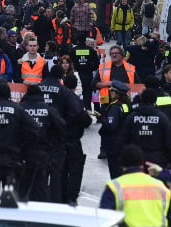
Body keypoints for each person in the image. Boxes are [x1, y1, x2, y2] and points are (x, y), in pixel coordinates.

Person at [19, 85, 66, 202]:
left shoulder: (20, 108)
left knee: (22, 185)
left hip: (24, 153)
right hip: (43, 152)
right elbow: (62, 126)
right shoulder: (48, 109)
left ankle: (19, 213)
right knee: (41, 185)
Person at [123, 88, 171, 171]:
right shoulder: (162, 118)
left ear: (141, 99)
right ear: (155, 100)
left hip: (135, 162)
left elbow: (123, 139)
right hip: (157, 162)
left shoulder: (132, 117)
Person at [60, 74, 92, 204]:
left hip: (59, 140)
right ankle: (71, 196)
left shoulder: (58, 99)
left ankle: (60, 194)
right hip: (73, 139)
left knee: (62, 169)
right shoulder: (75, 100)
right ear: (75, 86)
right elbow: (85, 119)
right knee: (75, 169)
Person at [99, 81, 133, 178]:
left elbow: (111, 125)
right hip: (125, 142)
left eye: (112, 91)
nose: (110, 93)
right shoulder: (126, 105)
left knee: (115, 171)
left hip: (114, 143)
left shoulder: (114, 107)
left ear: (117, 94)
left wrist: (102, 118)